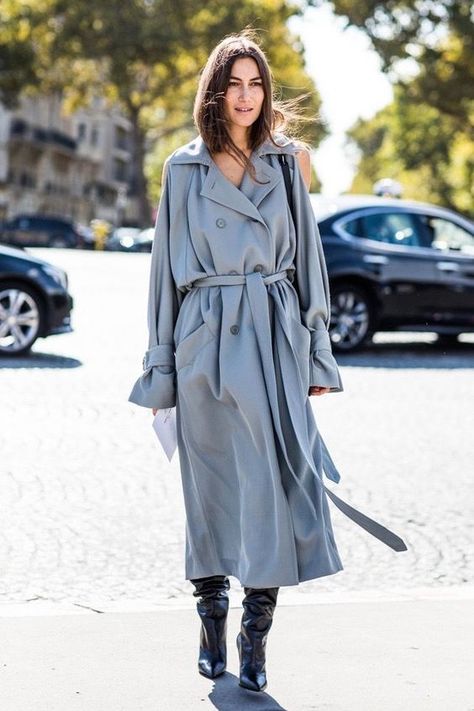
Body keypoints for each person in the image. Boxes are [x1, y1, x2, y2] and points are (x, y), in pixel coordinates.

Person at [129, 32, 407, 693]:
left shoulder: (286, 165)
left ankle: (255, 634)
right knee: (212, 494)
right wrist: (162, 368)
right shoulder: (183, 168)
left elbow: (309, 262)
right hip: (206, 342)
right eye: (236, 83)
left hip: (274, 338)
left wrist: (315, 352)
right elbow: (163, 276)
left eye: (257, 84)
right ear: (216, 92)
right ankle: (211, 617)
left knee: (274, 494)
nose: (248, 96)